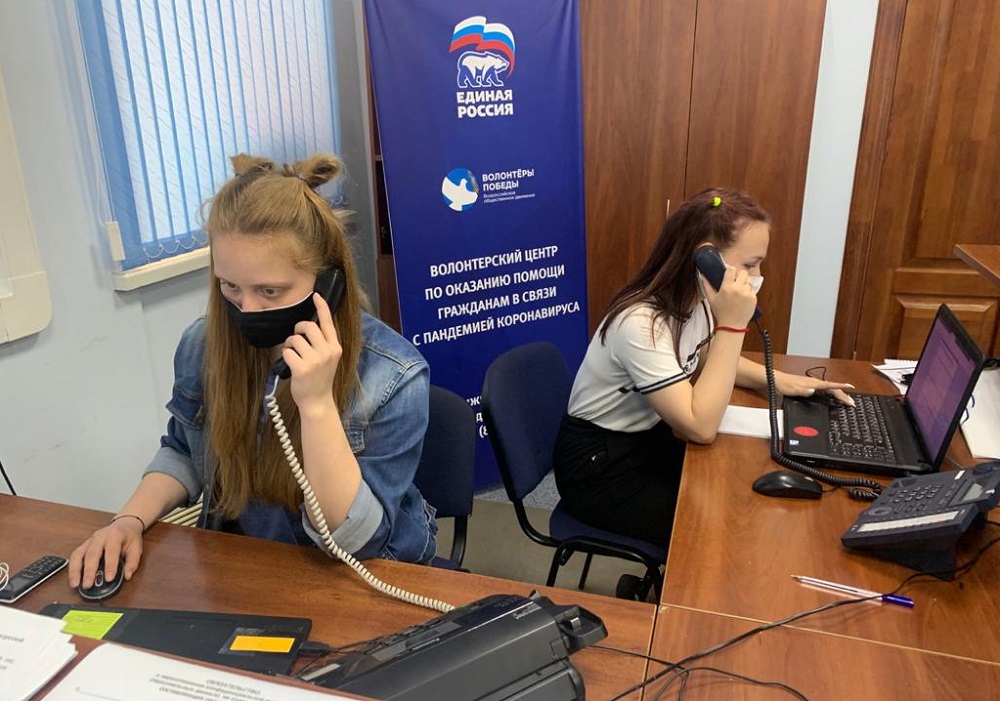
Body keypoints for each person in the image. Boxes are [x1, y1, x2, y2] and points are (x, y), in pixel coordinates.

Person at [70, 154, 437, 590]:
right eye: (230, 286)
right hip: (249, 564)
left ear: (327, 283)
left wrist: (317, 406)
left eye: (269, 291)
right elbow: (184, 449)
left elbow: (353, 541)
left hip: (359, 576)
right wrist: (128, 520)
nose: (246, 309)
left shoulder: (393, 375)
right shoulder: (204, 345)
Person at [553, 187, 853, 547]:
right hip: (598, 467)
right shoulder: (640, 324)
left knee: (737, 483)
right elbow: (700, 426)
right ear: (705, 259)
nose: (757, 275)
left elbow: (709, 355)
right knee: (718, 531)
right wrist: (733, 325)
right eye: (750, 264)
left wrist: (784, 382)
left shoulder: (693, 301)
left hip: (647, 437)